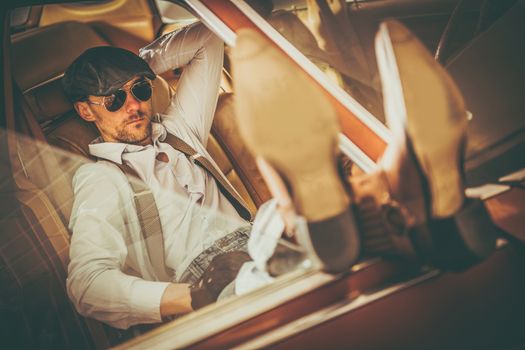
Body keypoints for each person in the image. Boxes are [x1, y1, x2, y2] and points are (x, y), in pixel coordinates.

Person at [63, 19, 495, 331]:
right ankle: (423, 207)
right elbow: (87, 286)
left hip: (263, 243)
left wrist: (137, 64)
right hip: (215, 285)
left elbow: (210, 36)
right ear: (85, 111)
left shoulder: (178, 131)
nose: (134, 104)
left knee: (276, 222)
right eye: (114, 99)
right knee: (278, 226)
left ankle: (361, 208)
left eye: (139, 89)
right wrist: (187, 299)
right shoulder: (100, 179)